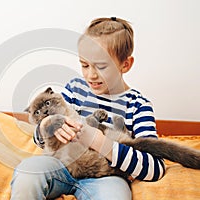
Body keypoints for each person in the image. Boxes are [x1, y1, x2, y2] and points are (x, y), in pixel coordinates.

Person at [10, 17, 165, 200]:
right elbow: (40, 139)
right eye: (84, 65)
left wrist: (100, 143)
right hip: (60, 166)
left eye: (101, 67)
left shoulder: (138, 105)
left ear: (125, 64)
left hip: (106, 177)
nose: (91, 75)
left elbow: (155, 168)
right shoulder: (75, 89)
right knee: (28, 173)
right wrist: (46, 126)